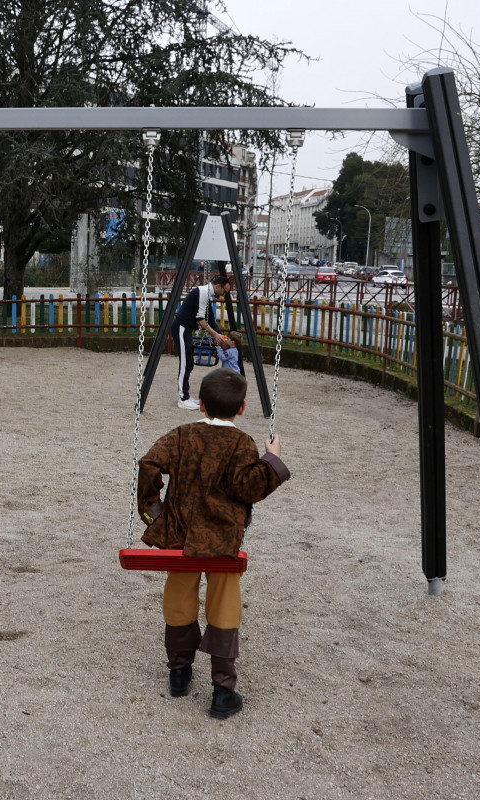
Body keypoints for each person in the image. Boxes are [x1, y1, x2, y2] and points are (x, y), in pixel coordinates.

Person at [138, 368, 290, 719]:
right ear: (242, 408)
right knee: (224, 601)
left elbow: (149, 462)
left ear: (201, 404)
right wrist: (273, 459)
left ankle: (179, 672)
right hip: (222, 540)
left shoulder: (182, 434)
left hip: (181, 536)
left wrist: (154, 512)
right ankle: (222, 690)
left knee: (179, 594)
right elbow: (249, 487)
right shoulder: (241, 443)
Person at [171, 272, 232, 410]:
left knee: (189, 363)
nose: (224, 295)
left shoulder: (207, 296)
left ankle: (186, 396)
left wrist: (221, 337)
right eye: (224, 291)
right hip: (181, 328)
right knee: (185, 363)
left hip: (186, 329)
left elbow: (210, 319)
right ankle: (183, 398)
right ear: (218, 286)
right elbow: (200, 320)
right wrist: (215, 335)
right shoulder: (203, 293)